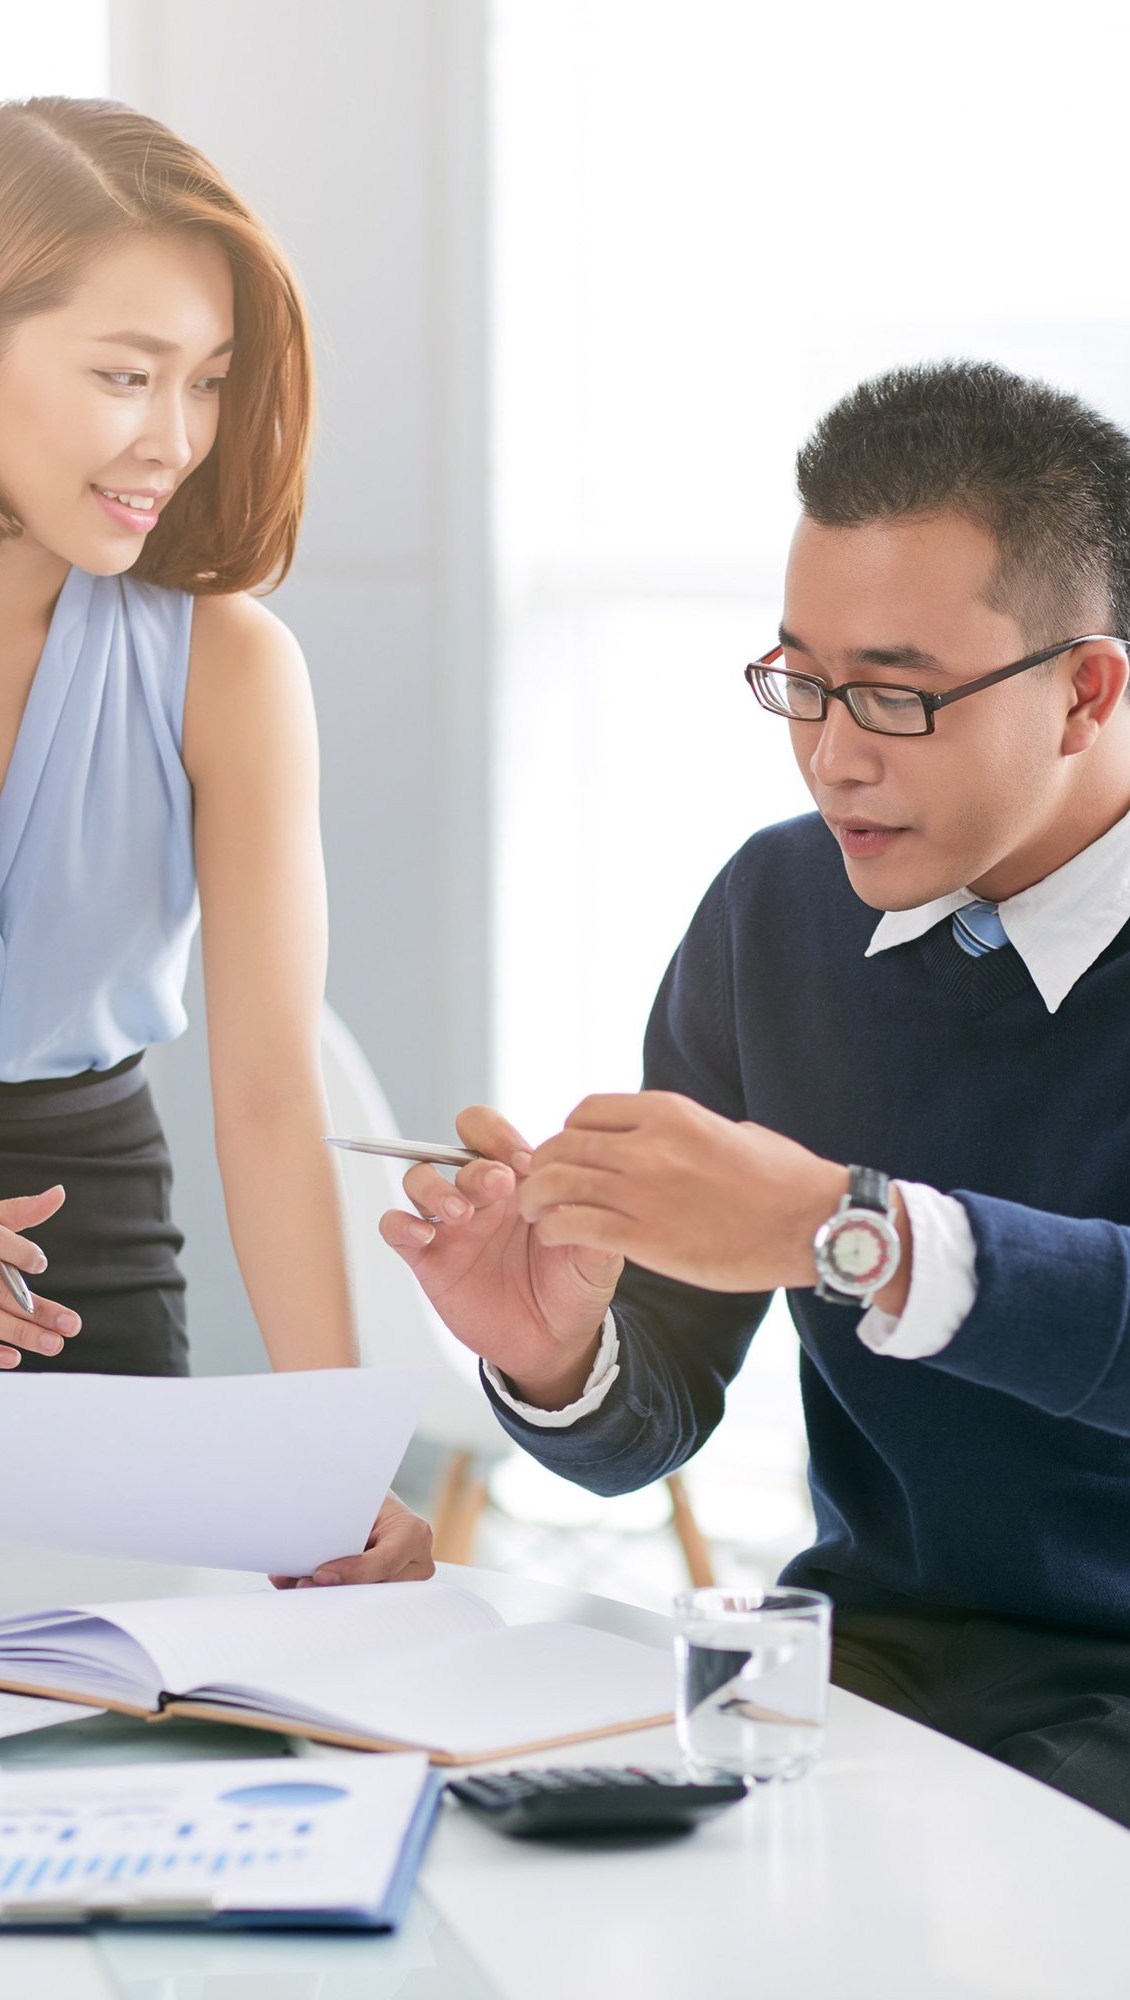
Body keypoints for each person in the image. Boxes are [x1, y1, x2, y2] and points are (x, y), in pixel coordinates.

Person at [383, 359, 1130, 1825]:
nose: (832, 756)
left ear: (1084, 693)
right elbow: (648, 1422)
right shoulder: (778, 911)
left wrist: (856, 1232)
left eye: (897, 698)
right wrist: (558, 1351)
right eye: (803, 680)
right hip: (866, 1671)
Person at [0, 96, 430, 1584]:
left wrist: (329, 1460)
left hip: (89, 1279)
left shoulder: (229, 666)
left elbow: (268, 1099)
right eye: (125, 377)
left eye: (205, 383)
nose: (176, 441)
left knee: (114, 1727)